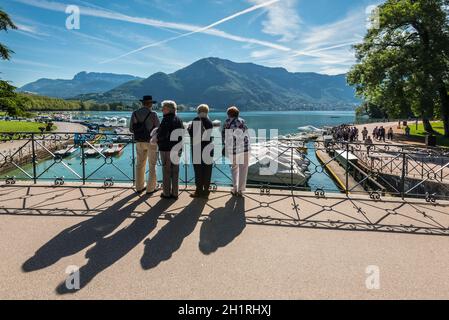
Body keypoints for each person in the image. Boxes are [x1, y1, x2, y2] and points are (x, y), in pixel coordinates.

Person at [129, 95, 160, 194]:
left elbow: (131, 129)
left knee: (139, 165)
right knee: (152, 165)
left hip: (139, 142)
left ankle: (139, 187)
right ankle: (150, 189)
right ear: (150, 104)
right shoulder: (153, 114)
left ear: (142, 103)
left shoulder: (135, 113)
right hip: (151, 142)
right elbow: (158, 129)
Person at [157, 100, 184, 200]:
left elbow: (161, 135)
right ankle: (175, 193)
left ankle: (166, 193)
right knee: (175, 171)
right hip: (177, 149)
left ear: (168, 109)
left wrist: (157, 139)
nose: (162, 110)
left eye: (163, 108)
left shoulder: (165, 120)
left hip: (166, 149)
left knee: (166, 171)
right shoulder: (179, 120)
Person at [222, 106, 249, 197]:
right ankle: (241, 191)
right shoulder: (242, 121)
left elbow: (223, 136)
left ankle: (234, 188)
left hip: (232, 150)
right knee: (243, 169)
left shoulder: (226, 122)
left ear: (229, 114)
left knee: (234, 169)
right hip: (244, 149)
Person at [188, 104, 214, 199]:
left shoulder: (196, 120)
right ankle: (206, 191)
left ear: (198, 111)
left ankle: (198, 191)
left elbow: (192, 134)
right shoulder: (209, 121)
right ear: (207, 111)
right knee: (207, 169)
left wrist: (188, 129)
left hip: (198, 147)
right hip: (209, 147)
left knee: (198, 169)